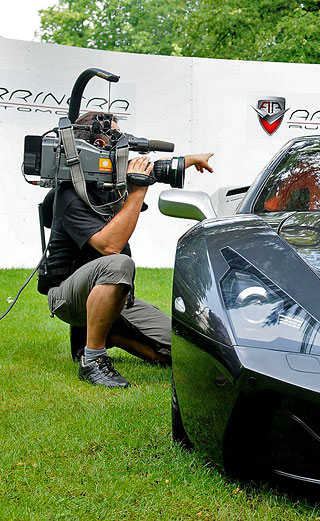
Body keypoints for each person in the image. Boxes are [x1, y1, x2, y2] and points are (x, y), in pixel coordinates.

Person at [41, 111, 214, 388]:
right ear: (100, 145)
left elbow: (152, 168)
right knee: (120, 263)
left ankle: (106, 334)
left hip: (112, 296)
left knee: (182, 351)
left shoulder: (109, 178)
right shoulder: (70, 194)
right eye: (119, 140)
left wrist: (191, 160)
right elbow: (110, 246)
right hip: (68, 296)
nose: (125, 148)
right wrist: (138, 191)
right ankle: (93, 359)